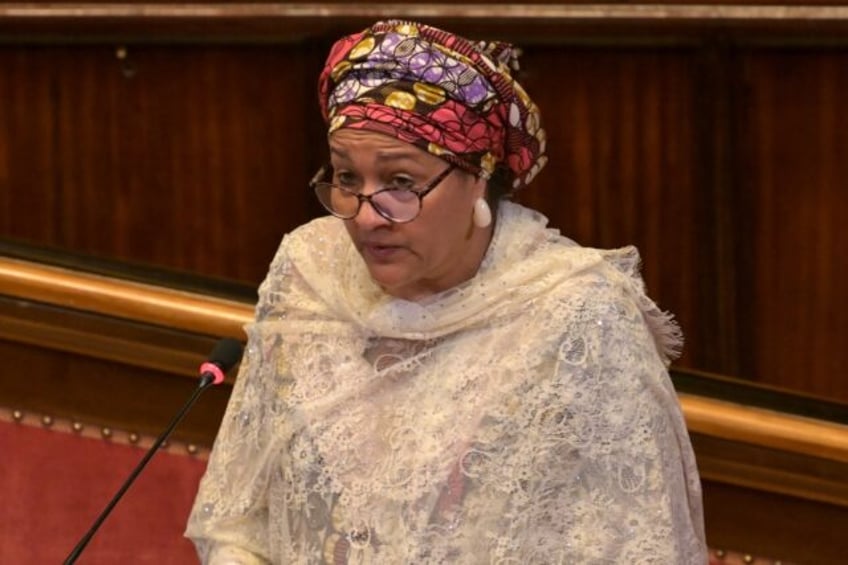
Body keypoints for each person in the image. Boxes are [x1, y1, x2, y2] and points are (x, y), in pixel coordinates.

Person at [186, 19, 707, 564]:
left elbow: (635, 546)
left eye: (402, 183)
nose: (367, 216)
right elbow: (242, 515)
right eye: (346, 178)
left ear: (478, 176)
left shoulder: (575, 314)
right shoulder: (308, 270)